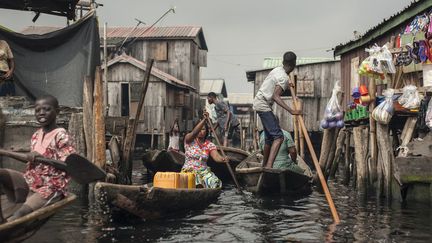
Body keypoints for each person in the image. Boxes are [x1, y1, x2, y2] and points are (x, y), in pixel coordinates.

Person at [0, 95, 75, 222]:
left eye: (46, 109)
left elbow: (69, 166)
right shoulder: (36, 135)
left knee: (20, 214)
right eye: (37, 110)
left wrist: (43, 158)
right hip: (30, 181)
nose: (41, 113)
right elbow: (30, 158)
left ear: (57, 112)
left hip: (51, 187)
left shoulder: (62, 136)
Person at [252, 51, 301, 169]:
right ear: (294, 64)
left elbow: (278, 82)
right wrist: (291, 111)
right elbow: (275, 96)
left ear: (283, 62)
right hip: (263, 104)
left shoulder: (278, 70)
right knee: (279, 137)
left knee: (269, 138)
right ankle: (269, 166)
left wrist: (289, 84)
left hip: (259, 101)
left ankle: (264, 165)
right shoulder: (284, 78)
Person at [181, 111, 228, 188]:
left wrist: (223, 159)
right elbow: (193, 133)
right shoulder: (189, 139)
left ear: (206, 131)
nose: (200, 131)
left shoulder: (209, 144)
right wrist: (204, 120)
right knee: (196, 181)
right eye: (199, 129)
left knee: (215, 183)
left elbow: (216, 157)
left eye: (203, 129)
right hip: (189, 170)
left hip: (204, 172)